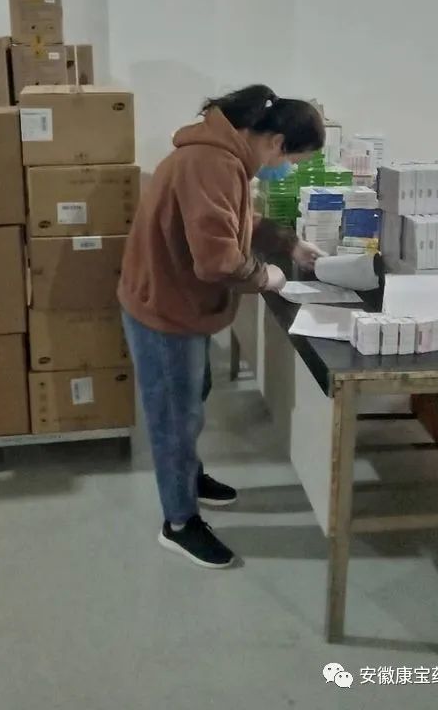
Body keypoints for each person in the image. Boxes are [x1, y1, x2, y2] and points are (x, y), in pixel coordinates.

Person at [119, 85, 325, 568]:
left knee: (192, 397)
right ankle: (179, 524)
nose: (286, 169)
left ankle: (187, 478)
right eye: (292, 160)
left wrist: (288, 243)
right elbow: (217, 259)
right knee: (175, 418)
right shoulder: (212, 162)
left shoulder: (224, 157)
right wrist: (265, 276)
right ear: (275, 142)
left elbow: (234, 218)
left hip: (178, 301)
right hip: (165, 309)